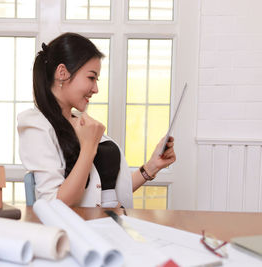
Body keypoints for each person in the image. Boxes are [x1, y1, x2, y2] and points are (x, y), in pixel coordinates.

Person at [17, 33, 176, 208]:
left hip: (112, 223)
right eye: (91, 78)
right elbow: (55, 204)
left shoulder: (80, 121)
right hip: (84, 231)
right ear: (62, 73)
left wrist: (151, 167)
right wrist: (88, 148)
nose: (96, 89)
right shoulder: (35, 125)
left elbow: (105, 193)